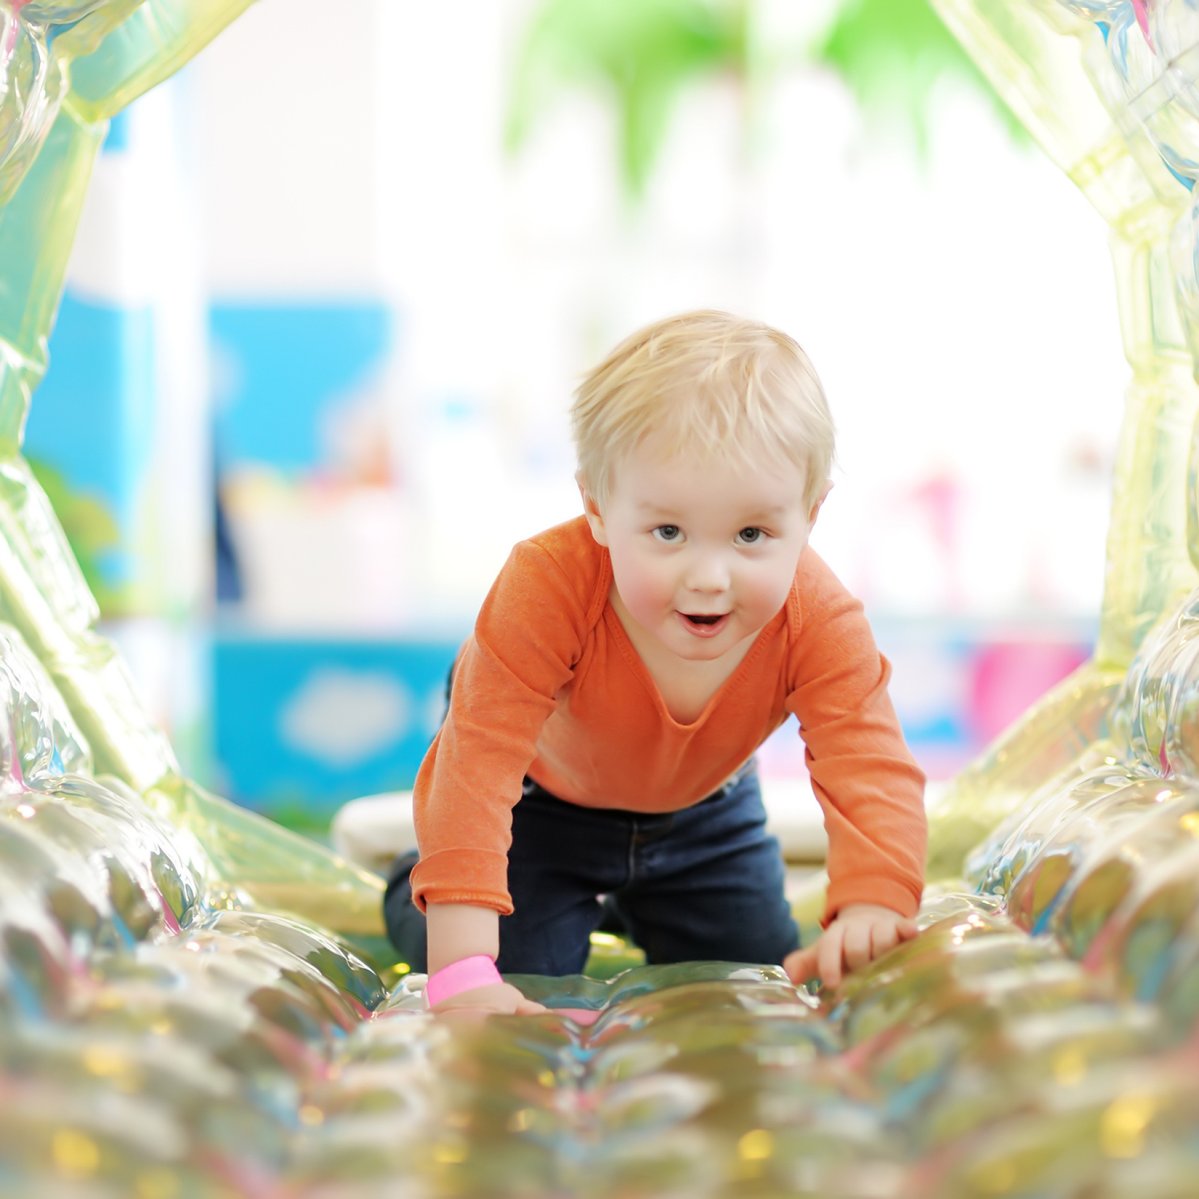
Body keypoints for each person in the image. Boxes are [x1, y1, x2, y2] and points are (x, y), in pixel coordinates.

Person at [383, 309, 927, 1016]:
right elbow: (477, 759)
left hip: (707, 815)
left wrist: (870, 904)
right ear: (598, 508)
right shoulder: (547, 585)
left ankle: (627, 904)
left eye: (751, 533)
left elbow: (868, 763)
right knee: (523, 971)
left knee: (749, 973)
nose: (708, 575)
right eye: (667, 531)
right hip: (543, 807)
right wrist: (462, 970)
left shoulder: (817, 617)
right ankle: (415, 883)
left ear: (810, 515)